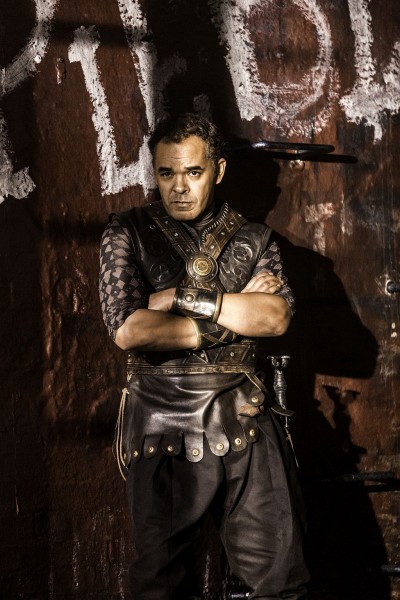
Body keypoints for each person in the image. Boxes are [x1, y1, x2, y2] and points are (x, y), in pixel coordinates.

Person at [99, 113, 309, 600]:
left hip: (246, 416)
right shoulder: (127, 231)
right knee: (160, 586)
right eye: (166, 173)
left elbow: (275, 318)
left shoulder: (254, 238)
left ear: (218, 170)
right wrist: (234, 314)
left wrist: (176, 298)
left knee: (279, 583)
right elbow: (130, 330)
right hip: (160, 421)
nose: (178, 187)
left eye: (193, 172)